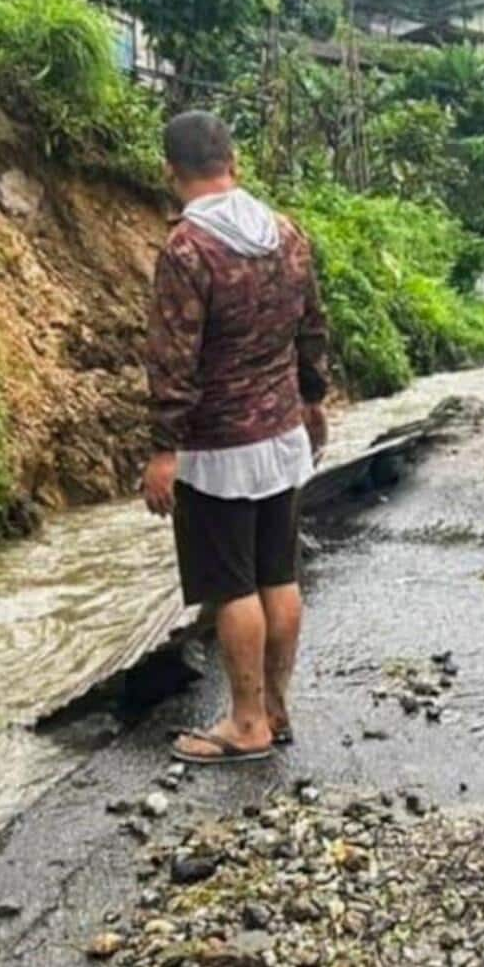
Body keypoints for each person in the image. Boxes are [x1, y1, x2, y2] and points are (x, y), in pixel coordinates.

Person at [143, 110, 330, 765]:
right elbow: (312, 327)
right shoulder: (286, 233)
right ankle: (275, 709)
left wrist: (163, 448)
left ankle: (246, 723)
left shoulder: (187, 250)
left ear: (172, 173)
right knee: (279, 575)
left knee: (233, 586)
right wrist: (312, 400)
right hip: (282, 436)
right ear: (235, 163)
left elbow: (174, 358)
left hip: (217, 450)